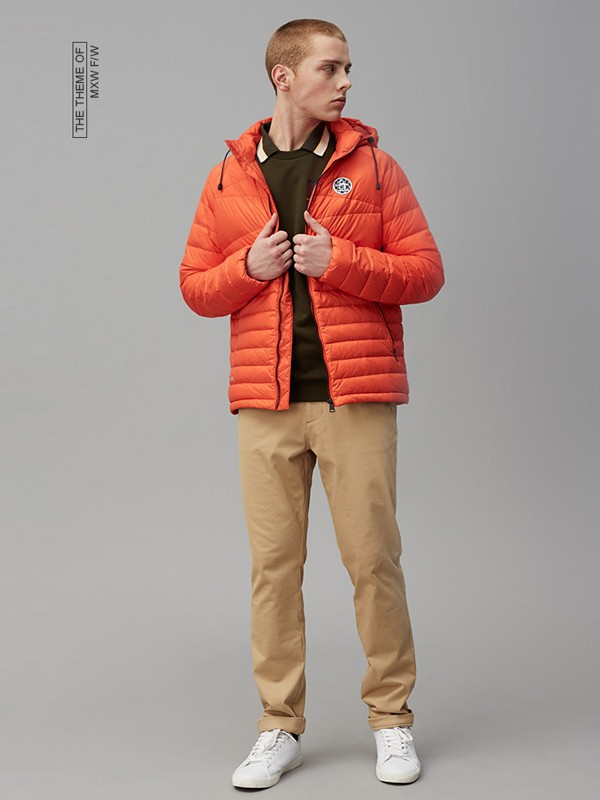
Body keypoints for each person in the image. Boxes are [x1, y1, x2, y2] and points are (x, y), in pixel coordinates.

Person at [179, 18, 444, 789]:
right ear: (284, 76)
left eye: (349, 67)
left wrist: (341, 260)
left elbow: (425, 272)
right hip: (264, 404)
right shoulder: (227, 177)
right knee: (273, 570)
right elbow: (196, 287)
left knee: (373, 562)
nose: (347, 81)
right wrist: (249, 269)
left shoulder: (375, 169)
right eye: (332, 68)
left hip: (353, 398)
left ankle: (391, 722)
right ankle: (279, 726)